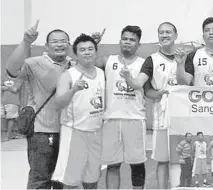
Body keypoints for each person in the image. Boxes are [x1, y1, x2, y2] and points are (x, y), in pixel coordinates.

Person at [5, 20, 75, 189]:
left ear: (69, 44)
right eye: (55, 41)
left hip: (68, 131)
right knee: (40, 179)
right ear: (46, 46)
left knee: (62, 179)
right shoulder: (33, 63)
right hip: (42, 132)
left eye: (63, 41)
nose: (59, 44)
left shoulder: (74, 64)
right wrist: (26, 42)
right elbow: (11, 69)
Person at [120, 22, 180, 189]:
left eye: (168, 32)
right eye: (161, 32)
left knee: (182, 160)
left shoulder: (185, 57)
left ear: (176, 35)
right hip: (163, 117)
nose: (164, 35)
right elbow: (144, 88)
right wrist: (129, 79)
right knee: (163, 160)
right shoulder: (152, 60)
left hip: (184, 117)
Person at [95, 25, 147, 189]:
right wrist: (94, 44)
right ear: (119, 41)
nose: (127, 42)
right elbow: (86, 63)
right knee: (113, 164)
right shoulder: (107, 61)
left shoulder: (145, 64)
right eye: (125, 39)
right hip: (111, 119)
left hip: (135, 119)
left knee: (137, 164)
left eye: (132, 40)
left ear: (138, 44)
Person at [51, 34, 105, 189]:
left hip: (96, 132)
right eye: (82, 50)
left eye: (90, 49)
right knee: (71, 180)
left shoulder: (100, 73)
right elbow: (59, 103)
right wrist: (73, 89)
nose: (87, 52)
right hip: (75, 132)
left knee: (92, 178)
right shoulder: (68, 75)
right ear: (75, 54)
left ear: (96, 51)